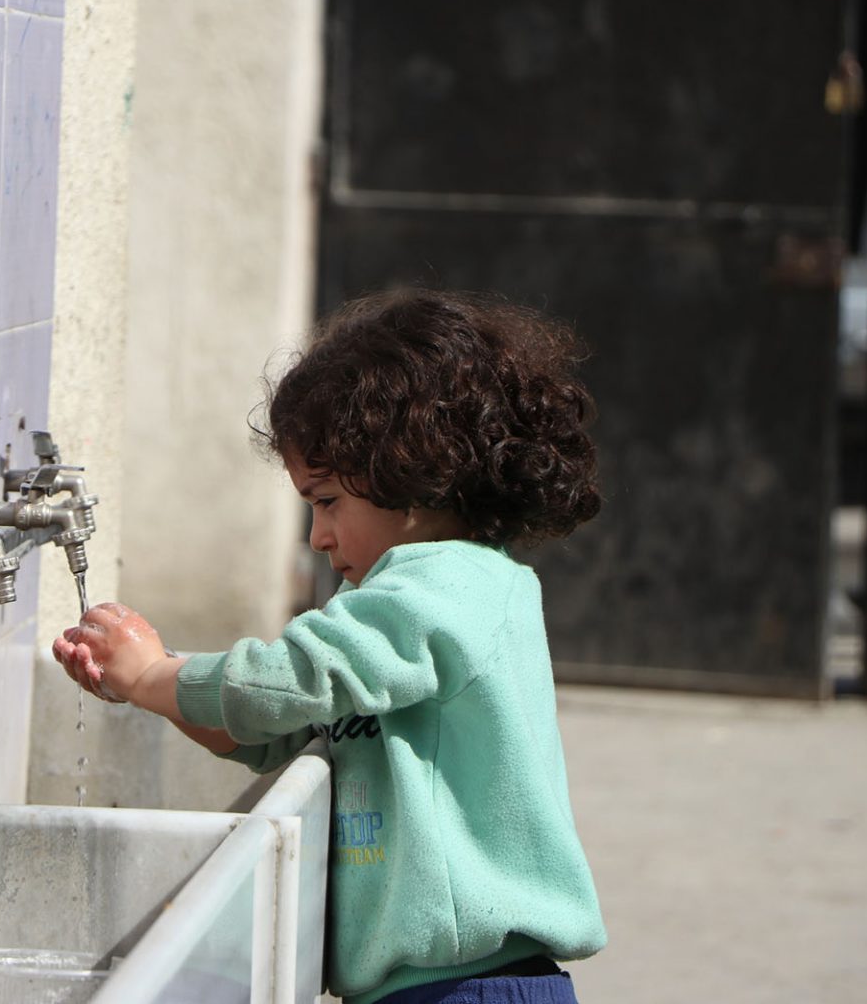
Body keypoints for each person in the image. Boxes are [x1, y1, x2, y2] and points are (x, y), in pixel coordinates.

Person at [52, 288, 607, 1004]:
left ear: (408, 472)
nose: (316, 537)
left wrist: (158, 672)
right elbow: (278, 725)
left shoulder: (450, 585)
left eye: (326, 501)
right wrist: (143, 687)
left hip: (469, 990)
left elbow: (288, 681)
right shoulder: (391, 601)